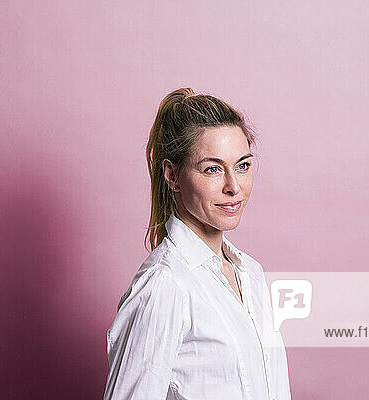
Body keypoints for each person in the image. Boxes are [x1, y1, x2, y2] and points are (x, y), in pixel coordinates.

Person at [103, 88, 291, 399]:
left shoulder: (251, 274)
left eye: (243, 165)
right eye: (213, 169)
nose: (233, 186)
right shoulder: (166, 285)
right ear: (172, 176)